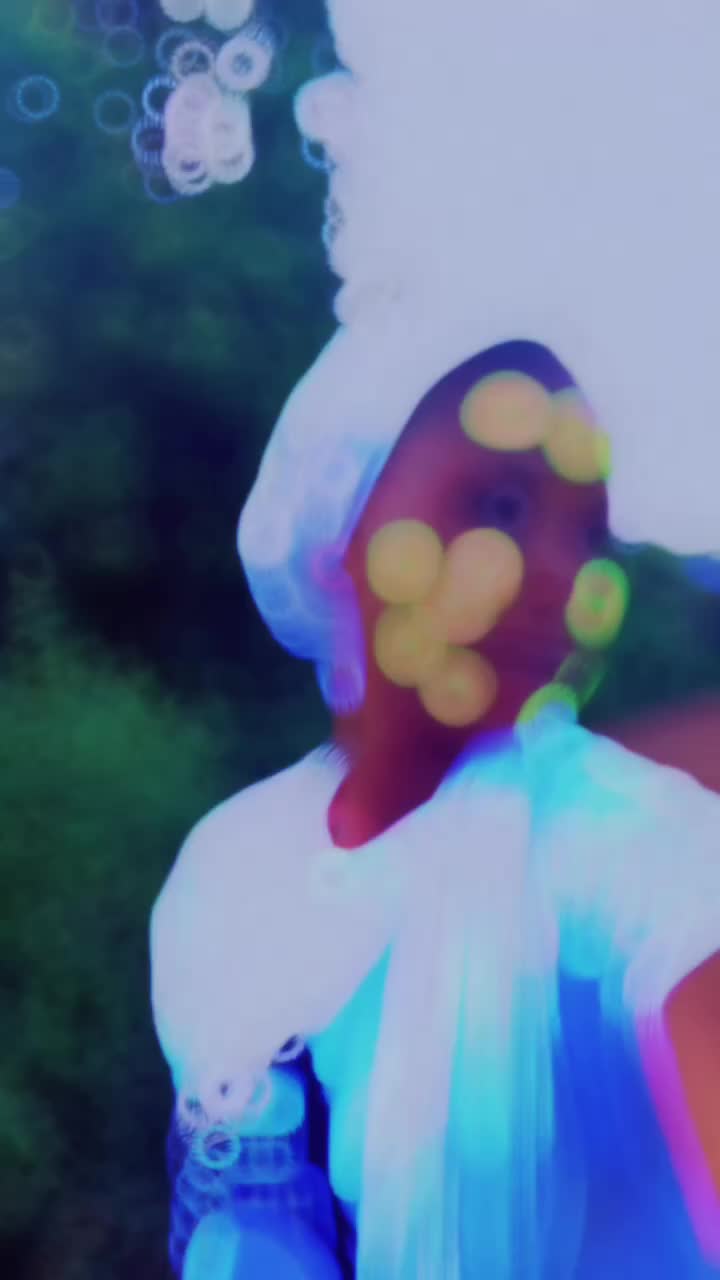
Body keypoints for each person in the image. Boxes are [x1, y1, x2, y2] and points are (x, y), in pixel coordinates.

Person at [150, 3, 720, 1275]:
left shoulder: (627, 848)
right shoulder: (222, 877)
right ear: (333, 536)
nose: (562, 575)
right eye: (499, 505)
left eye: (590, 530)